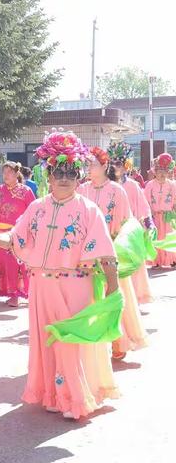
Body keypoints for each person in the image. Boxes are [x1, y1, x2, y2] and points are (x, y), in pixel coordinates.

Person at [0, 130, 120, 420]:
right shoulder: (37, 207)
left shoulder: (89, 209)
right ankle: (54, 395)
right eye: (58, 171)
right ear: (49, 175)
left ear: (79, 176)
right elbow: (15, 237)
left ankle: (75, 398)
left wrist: (113, 289)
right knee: (47, 342)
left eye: (70, 171)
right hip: (41, 286)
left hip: (77, 285)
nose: (64, 177)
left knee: (71, 341)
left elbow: (105, 253)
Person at [79, 147, 148, 360]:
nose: (88, 168)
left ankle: (119, 341)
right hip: (86, 255)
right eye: (87, 164)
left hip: (110, 252)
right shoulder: (81, 190)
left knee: (115, 296)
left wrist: (114, 250)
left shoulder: (117, 191)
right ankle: (96, 342)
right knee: (91, 299)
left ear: (104, 166)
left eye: (92, 164)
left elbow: (125, 222)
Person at [107, 141, 154, 304]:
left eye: (118, 163)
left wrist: (147, 226)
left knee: (130, 267)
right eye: (112, 163)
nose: (115, 167)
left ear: (126, 165)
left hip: (128, 235)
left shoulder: (132, 186)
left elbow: (143, 208)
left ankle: (132, 299)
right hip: (109, 233)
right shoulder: (105, 186)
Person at [0, 161, 35, 307]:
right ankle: (12, 293)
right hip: (0, 235)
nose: (6, 175)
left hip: (18, 235)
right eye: (4, 172)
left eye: (10, 172)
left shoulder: (25, 191)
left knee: (19, 265)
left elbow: (34, 211)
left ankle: (20, 294)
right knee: (5, 265)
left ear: (17, 173)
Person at [144, 153, 176, 268]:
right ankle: (156, 261)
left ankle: (172, 260)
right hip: (154, 216)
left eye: (164, 171)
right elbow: (145, 201)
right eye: (159, 171)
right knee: (156, 238)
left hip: (167, 216)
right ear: (155, 172)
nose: (162, 174)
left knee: (168, 237)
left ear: (168, 172)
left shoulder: (172, 185)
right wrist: (148, 215)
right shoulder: (150, 185)